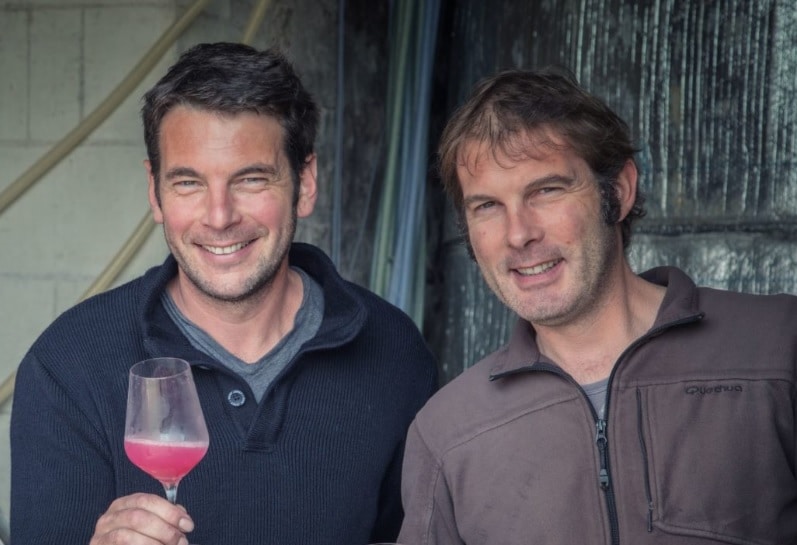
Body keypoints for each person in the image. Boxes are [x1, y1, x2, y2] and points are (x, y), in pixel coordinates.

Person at [10, 42, 438, 545]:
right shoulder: (68, 365)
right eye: (188, 183)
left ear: (305, 182)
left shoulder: (395, 352)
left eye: (251, 179)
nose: (219, 217)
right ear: (155, 192)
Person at [398, 67, 797, 545]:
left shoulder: (779, 347)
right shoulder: (445, 434)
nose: (518, 234)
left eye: (546, 190)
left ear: (619, 191)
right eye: (487, 206)